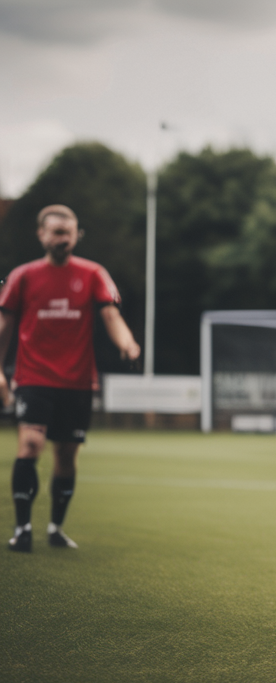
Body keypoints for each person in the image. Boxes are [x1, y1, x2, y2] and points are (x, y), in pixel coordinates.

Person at [0, 204, 141, 552]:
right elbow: (4, 325)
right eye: (56, 231)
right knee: (30, 446)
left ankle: (55, 528)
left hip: (77, 381)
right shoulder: (23, 276)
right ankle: (23, 528)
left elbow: (111, 315)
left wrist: (127, 342)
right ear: (42, 234)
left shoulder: (93, 273)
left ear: (77, 235)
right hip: (33, 377)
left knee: (66, 456)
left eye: (68, 232)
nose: (62, 238)